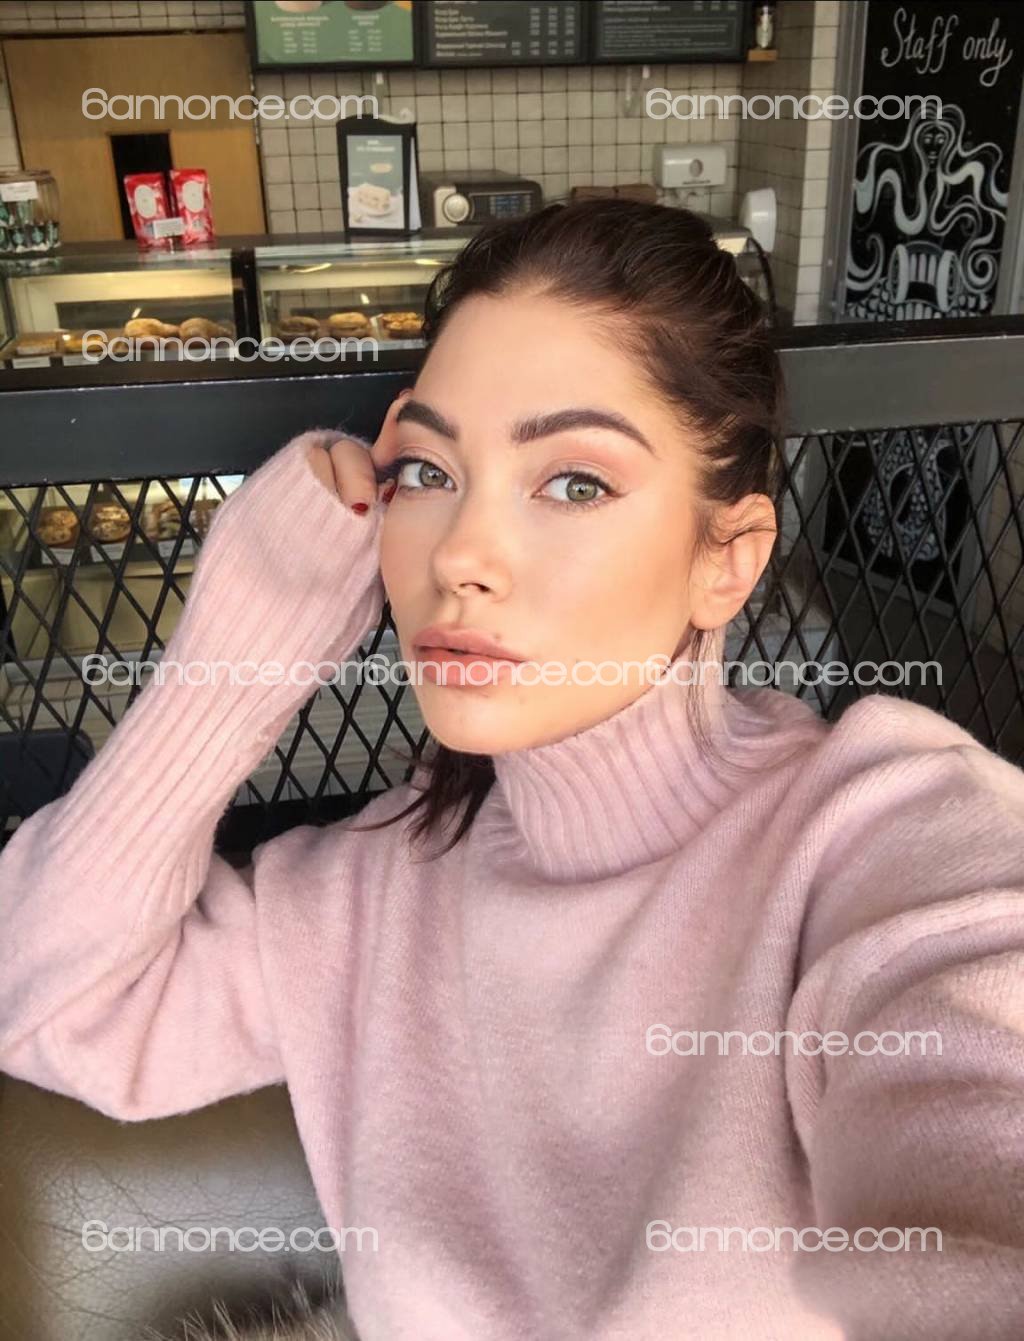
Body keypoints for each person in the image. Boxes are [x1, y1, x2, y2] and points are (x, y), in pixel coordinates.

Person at [1, 200, 1022, 1341]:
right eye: (427, 471)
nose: (462, 554)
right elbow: (49, 1001)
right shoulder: (370, 891)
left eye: (574, 482)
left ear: (727, 561)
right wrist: (236, 657)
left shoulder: (890, 836)